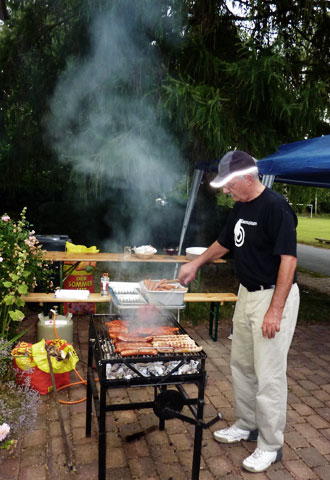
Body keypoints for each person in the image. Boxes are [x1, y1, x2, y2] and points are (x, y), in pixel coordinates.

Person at [178, 150, 300, 473]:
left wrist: (276, 310)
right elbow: (225, 242)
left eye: (229, 184)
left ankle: (271, 446)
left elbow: (288, 260)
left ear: (247, 176)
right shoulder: (240, 206)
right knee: (242, 363)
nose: (226, 191)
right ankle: (248, 424)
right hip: (247, 294)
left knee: (269, 373)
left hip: (274, 296)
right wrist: (196, 263)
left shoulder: (277, 208)